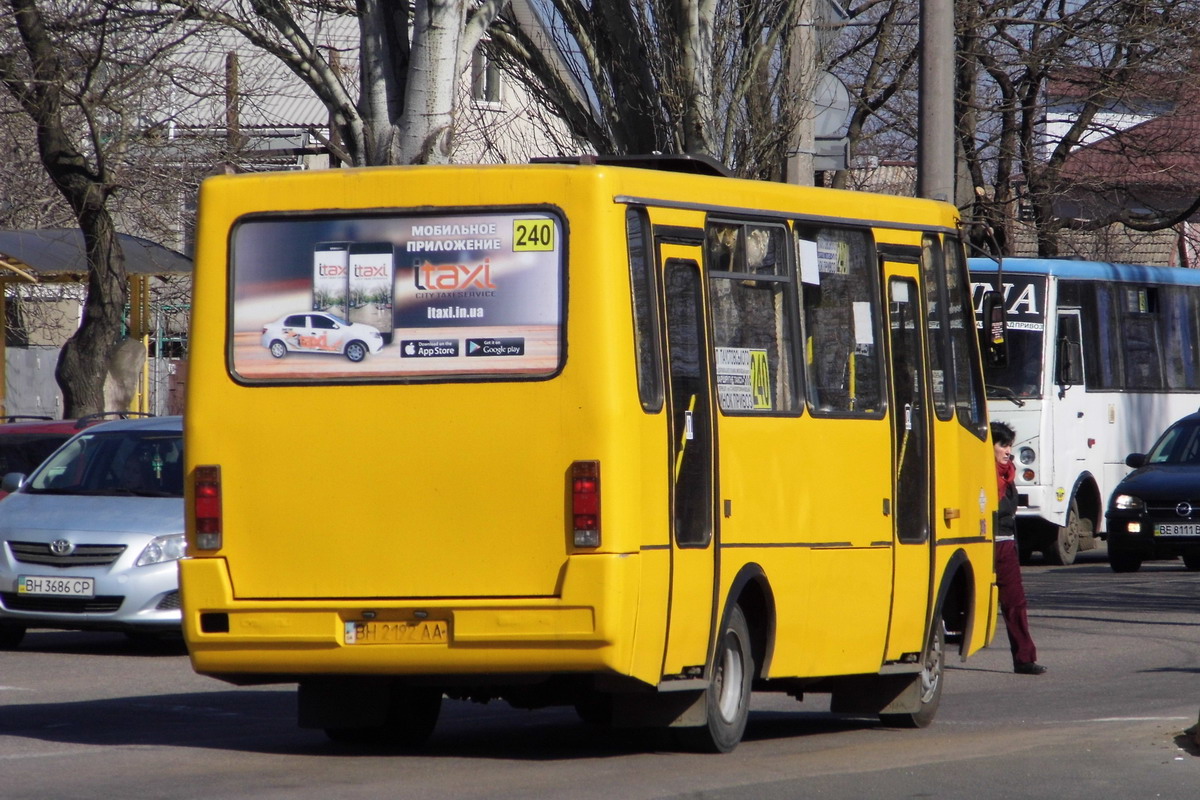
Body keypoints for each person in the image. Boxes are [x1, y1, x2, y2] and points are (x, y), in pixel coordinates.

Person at [992, 420, 1048, 676]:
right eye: (1003, 445)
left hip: (1005, 544)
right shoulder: (980, 472)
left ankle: (1024, 659)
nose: (1008, 451)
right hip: (981, 543)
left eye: (1010, 446)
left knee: (1015, 602)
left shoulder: (1008, 473)